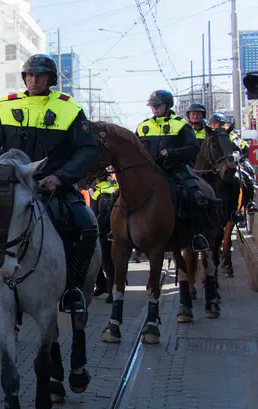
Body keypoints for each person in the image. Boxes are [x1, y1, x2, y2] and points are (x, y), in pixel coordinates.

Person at [0, 53, 99, 312]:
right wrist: (5, 170)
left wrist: (60, 177)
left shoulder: (69, 108)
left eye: (40, 76)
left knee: (87, 226)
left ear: (50, 79)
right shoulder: (6, 106)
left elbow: (87, 150)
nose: (34, 80)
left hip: (53, 187)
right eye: (29, 75)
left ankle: (73, 290)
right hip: (11, 186)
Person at [136, 90, 210, 251]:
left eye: (158, 105)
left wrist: (172, 153)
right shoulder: (143, 126)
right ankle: (118, 231)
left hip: (176, 169)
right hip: (149, 172)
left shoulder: (181, 124)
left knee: (196, 196)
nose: (154, 108)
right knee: (119, 195)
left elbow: (193, 147)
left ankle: (198, 236)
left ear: (167, 105)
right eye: (152, 106)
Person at [90, 171, 118, 299]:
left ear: (96, 179)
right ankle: (104, 286)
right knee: (110, 260)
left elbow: (96, 213)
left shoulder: (98, 192)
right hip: (115, 228)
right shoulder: (115, 187)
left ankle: (110, 290)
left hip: (103, 230)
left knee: (105, 261)